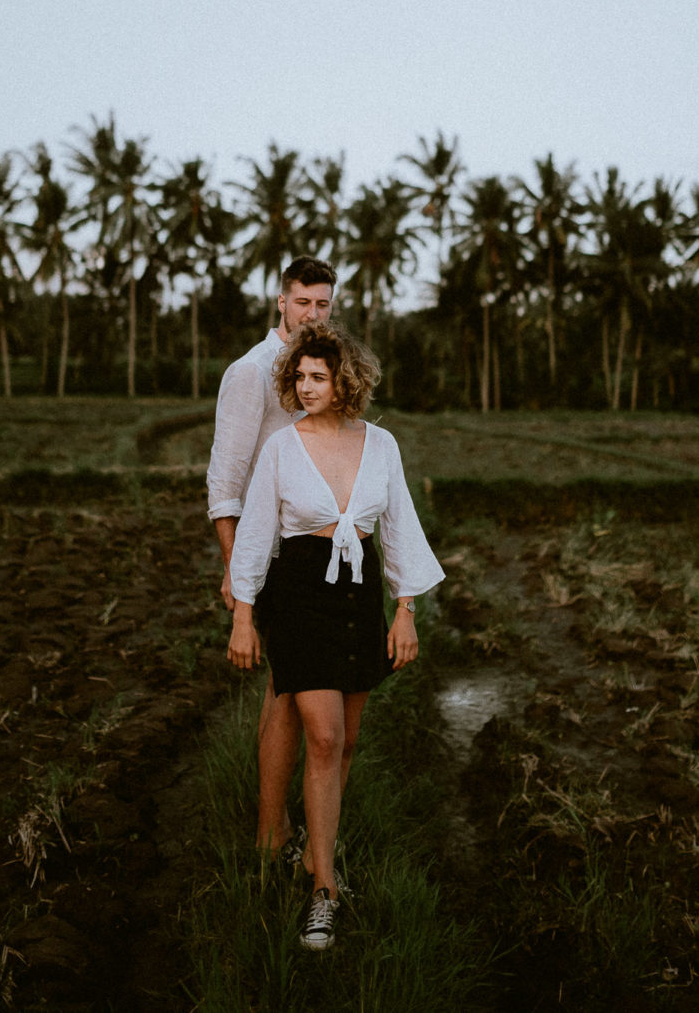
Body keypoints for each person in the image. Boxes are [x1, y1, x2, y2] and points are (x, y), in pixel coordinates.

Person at [226, 321, 444, 952]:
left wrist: (405, 610)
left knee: (345, 743)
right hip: (297, 595)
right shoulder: (282, 448)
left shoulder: (381, 445)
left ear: (345, 380)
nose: (305, 386)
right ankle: (326, 892)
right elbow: (258, 534)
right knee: (321, 734)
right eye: (299, 376)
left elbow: (400, 525)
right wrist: (244, 616)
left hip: (358, 597)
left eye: (318, 376)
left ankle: (314, 854)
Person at [206, 256, 337, 861]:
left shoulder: (318, 372)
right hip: (272, 557)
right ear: (280, 302)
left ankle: (278, 828)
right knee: (288, 692)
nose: (312, 313)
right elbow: (225, 485)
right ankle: (271, 834)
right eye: (303, 302)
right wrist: (239, 577)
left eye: (323, 304)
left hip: (316, 557)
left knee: (287, 692)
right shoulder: (252, 373)